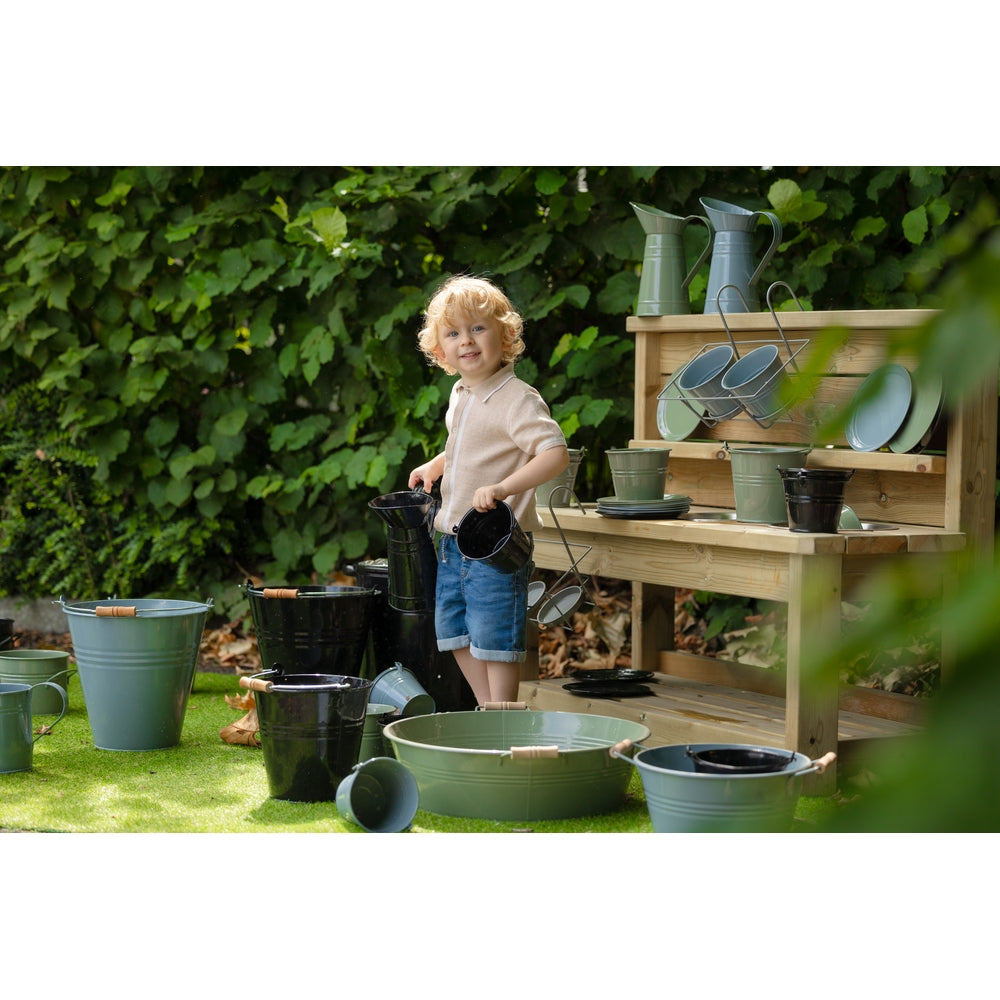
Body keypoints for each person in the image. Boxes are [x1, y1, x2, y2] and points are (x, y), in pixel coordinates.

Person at [408, 275, 569, 705]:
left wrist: (502, 487)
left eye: (479, 328)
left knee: (495, 632)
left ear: (506, 334)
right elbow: (465, 448)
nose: (468, 341)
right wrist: (435, 465)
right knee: (455, 629)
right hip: (452, 539)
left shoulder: (517, 398)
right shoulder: (460, 393)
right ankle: (489, 709)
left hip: (496, 544)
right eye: (454, 333)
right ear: (440, 350)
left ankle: (502, 712)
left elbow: (555, 454)